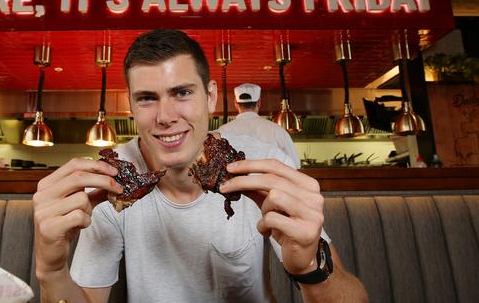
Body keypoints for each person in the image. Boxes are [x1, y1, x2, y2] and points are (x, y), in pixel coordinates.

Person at [33, 29, 367, 302]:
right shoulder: (112, 185)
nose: (165, 117)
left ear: (210, 97)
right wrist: (51, 272)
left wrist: (310, 267)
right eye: (147, 98)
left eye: (181, 93)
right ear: (132, 105)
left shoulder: (261, 168)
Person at [218, 82, 301, 168]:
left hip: (234, 181)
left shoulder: (222, 131)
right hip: (271, 180)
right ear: (259, 103)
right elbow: (295, 165)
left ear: (235, 103)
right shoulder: (277, 130)